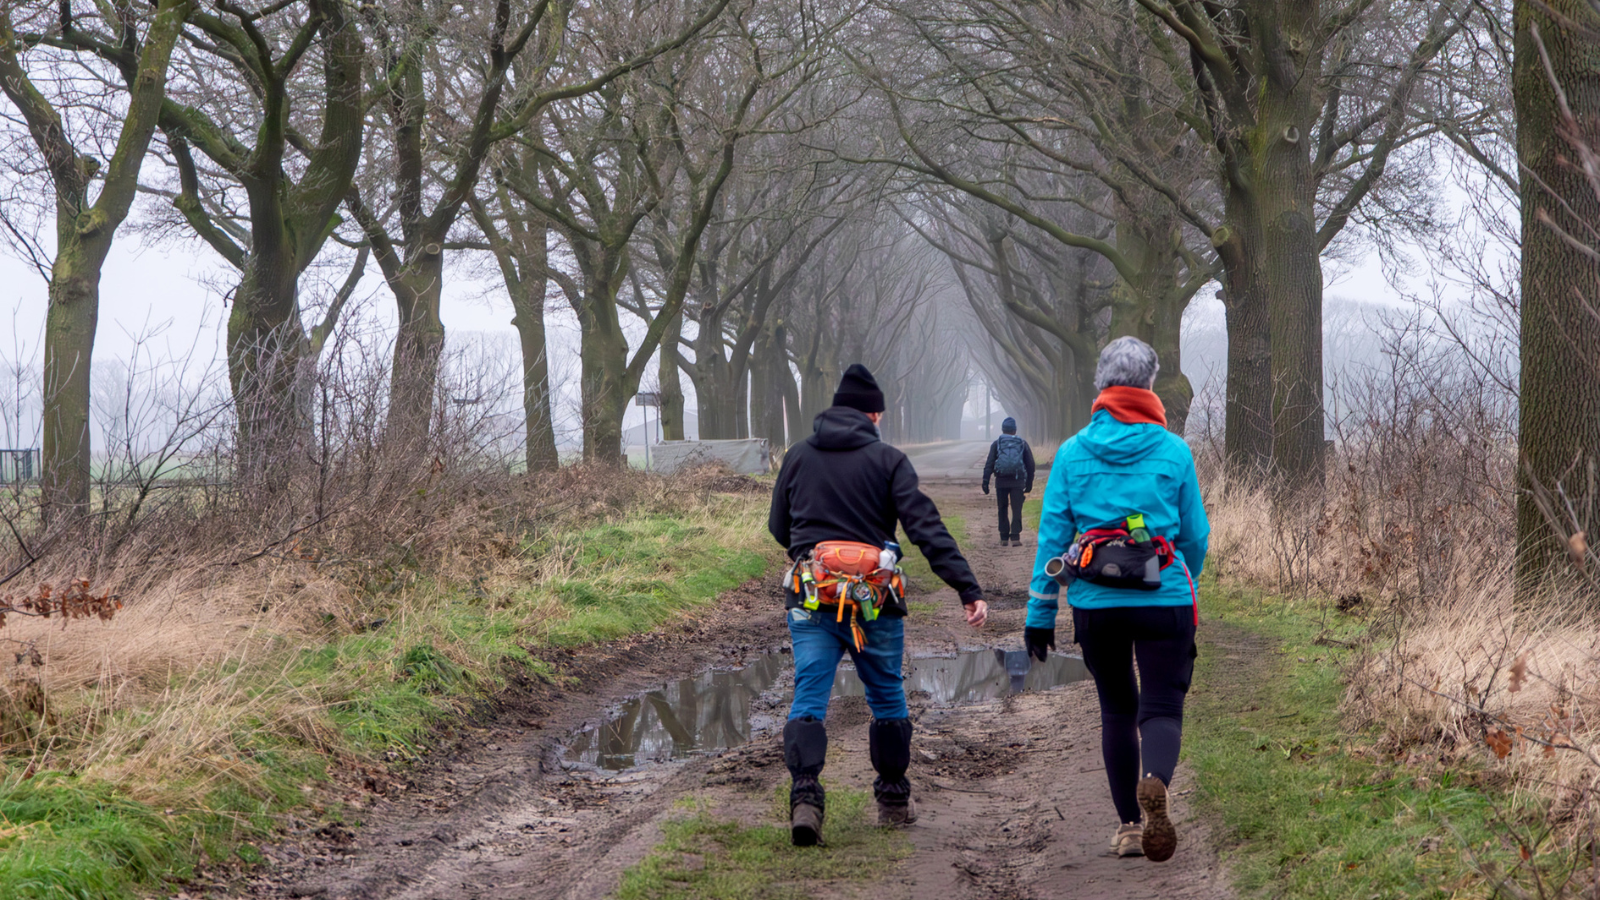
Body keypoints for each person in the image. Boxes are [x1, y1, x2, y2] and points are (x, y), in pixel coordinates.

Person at [770, 363, 988, 847]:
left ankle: (805, 798)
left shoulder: (798, 454)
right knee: (887, 696)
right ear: (874, 414)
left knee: (809, 697)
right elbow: (925, 528)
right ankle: (892, 800)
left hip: (812, 598)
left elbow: (778, 527)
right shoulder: (889, 460)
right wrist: (967, 589)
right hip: (876, 604)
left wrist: (811, 551)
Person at [1024, 336, 1209, 863]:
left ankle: (1129, 827)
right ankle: (1157, 781)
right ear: (1150, 384)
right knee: (1162, 705)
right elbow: (1195, 537)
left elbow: (1052, 540)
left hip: (1096, 604)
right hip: (1165, 598)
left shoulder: (1071, 453)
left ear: (1101, 385)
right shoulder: (1174, 451)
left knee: (1117, 709)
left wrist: (1040, 614)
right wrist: (1182, 581)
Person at [982, 416, 1036, 547]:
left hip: (1001, 480)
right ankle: (1015, 536)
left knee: (1002, 508)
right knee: (1017, 508)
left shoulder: (997, 444)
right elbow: (1030, 465)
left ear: (1002, 430)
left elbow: (989, 463)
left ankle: (1004, 537)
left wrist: (985, 481)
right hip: (1018, 481)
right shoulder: (1022, 443)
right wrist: (1029, 483)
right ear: (1014, 430)